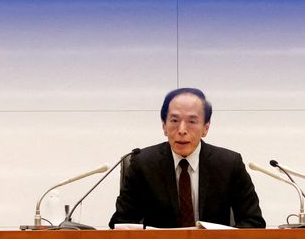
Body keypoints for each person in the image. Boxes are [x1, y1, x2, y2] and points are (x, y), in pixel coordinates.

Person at [109, 88, 265, 228]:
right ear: (164, 126)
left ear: (206, 128)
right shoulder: (142, 164)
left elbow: (253, 222)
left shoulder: (229, 164)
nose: (182, 130)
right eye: (174, 121)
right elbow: (121, 223)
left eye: (192, 121)